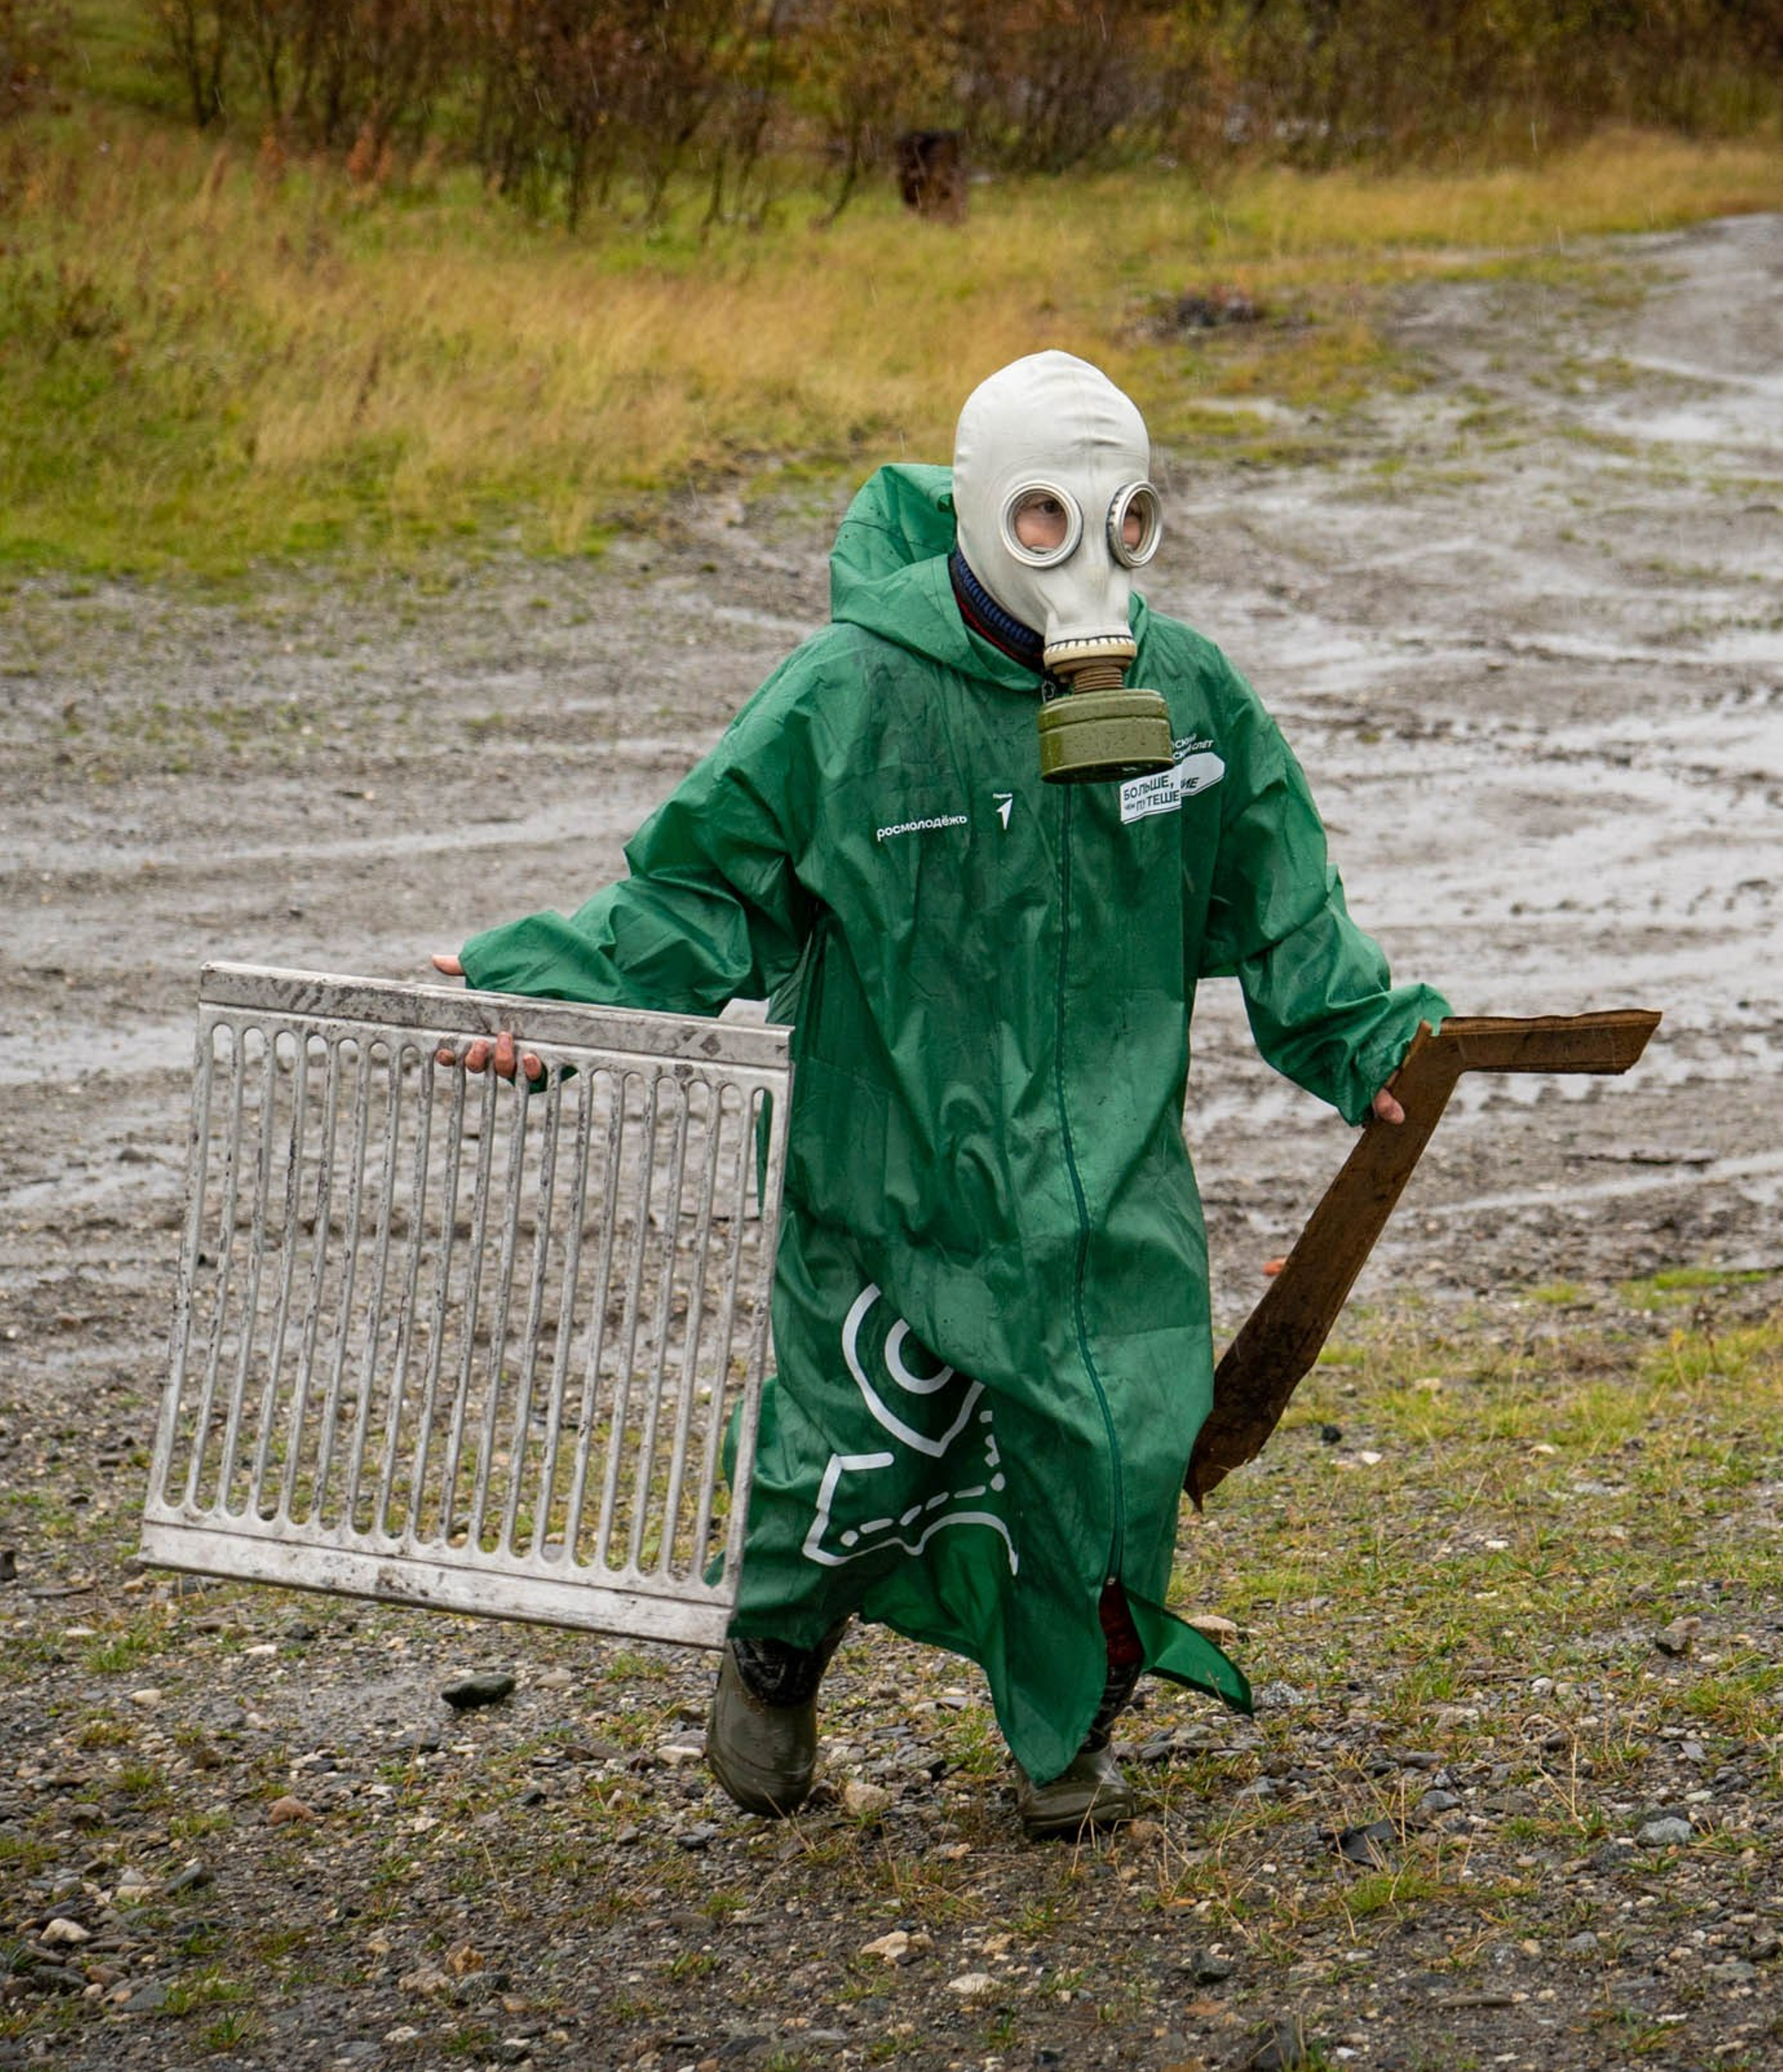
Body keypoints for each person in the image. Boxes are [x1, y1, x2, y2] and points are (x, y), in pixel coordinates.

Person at [432, 351, 1446, 1835]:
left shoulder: (1185, 691)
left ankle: (1068, 1728)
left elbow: (1285, 898)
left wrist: (1370, 1042)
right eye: (1044, 518)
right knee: (853, 1460)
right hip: (892, 1166)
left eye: (1123, 518)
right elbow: (700, 888)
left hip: (1108, 1177)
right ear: (979, 511)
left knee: (1119, 1452)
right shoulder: (852, 693)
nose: (1084, 554)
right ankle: (777, 1651)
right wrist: (550, 993)